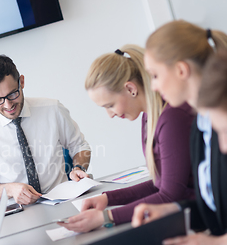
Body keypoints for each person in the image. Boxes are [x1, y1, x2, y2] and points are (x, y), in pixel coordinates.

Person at [58, 45, 195, 233]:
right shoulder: (150, 115)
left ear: (130, 88)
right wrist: (107, 199)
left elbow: (170, 195)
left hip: (199, 220)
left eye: (110, 105)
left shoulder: (171, 117)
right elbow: (161, 182)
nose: (110, 115)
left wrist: (106, 217)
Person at [132, 20, 227, 245]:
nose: (152, 86)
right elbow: (217, 211)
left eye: (154, 75)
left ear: (182, 70)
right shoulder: (199, 127)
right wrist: (174, 211)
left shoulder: (221, 123)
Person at [0, 54, 91, 205]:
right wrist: (11, 190)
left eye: (12, 94)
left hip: (61, 201)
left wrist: (78, 167)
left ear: (22, 82)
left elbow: (79, 146)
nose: (8, 105)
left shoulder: (52, 110)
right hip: (16, 213)